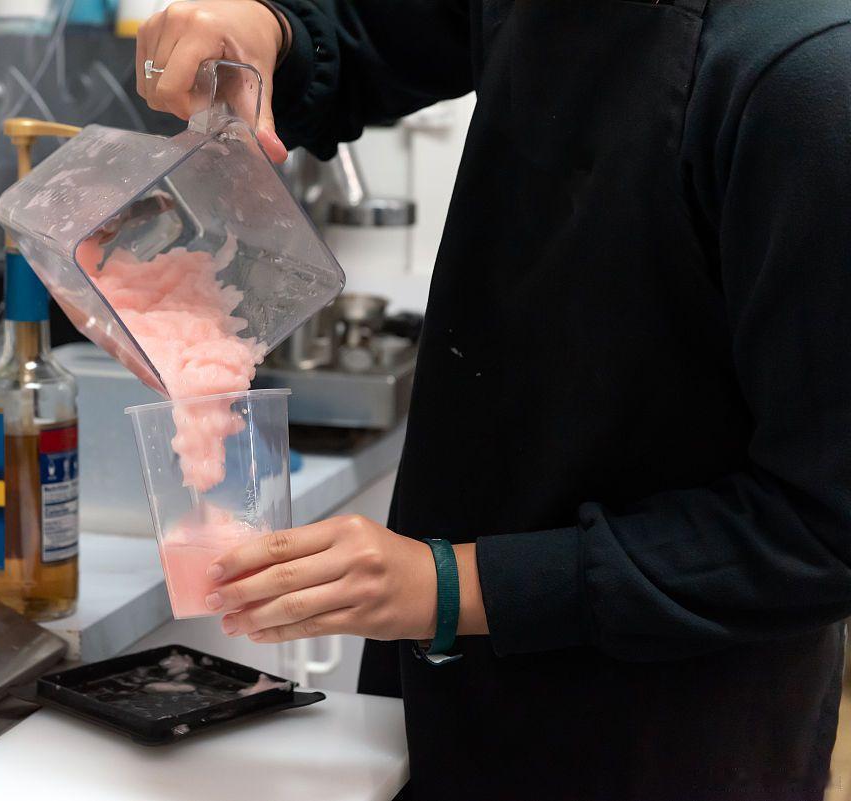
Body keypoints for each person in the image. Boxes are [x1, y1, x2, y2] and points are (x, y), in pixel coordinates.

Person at [137, 2, 851, 799]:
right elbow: (369, 37)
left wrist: (452, 586)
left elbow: (825, 532)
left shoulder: (809, 79)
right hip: (446, 692)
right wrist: (268, 31)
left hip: (669, 731)